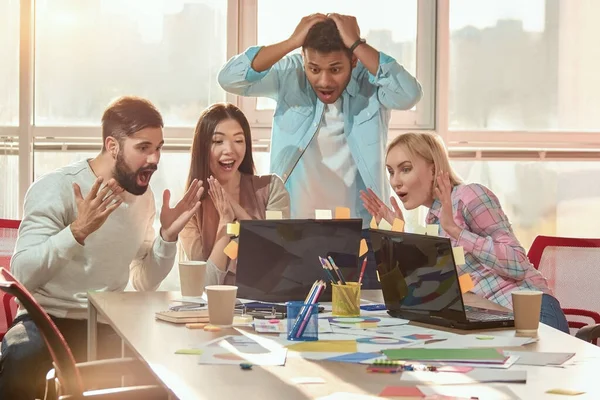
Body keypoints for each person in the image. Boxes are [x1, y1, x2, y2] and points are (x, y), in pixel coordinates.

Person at [0, 96, 203, 399]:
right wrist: (77, 231)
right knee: (20, 360)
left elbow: (143, 280)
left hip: (108, 323)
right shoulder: (55, 188)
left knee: (166, 373)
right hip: (45, 319)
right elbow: (22, 274)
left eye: (158, 147)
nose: (154, 159)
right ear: (112, 146)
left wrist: (167, 237)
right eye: (143, 148)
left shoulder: (142, 199)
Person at [218, 14, 422, 287]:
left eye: (335, 69)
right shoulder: (290, 72)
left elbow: (410, 94)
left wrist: (357, 43)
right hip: (291, 233)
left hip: (359, 234)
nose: (324, 80)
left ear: (353, 60)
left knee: (361, 321)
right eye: (314, 68)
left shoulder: (372, 81)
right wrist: (292, 42)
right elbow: (230, 78)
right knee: (288, 319)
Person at [361, 132, 569, 333]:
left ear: (433, 170)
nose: (395, 181)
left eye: (405, 169)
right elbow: (427, 293)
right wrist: (398, 235)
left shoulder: (469, 196)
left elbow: (518, 264)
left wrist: (457, 231)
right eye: (390, 172)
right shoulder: (433, 219)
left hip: (532, 313)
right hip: (490, 319)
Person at [180, 103, 290, 286]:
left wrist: (238, 211)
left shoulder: (271, 189)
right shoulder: (190, 208)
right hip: (214, 310)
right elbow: (202, 285)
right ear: (202, 148)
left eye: (238, 141)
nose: (230, 150)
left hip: (267, 308)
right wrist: (225, 222)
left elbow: (277, 262)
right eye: (218, 141)